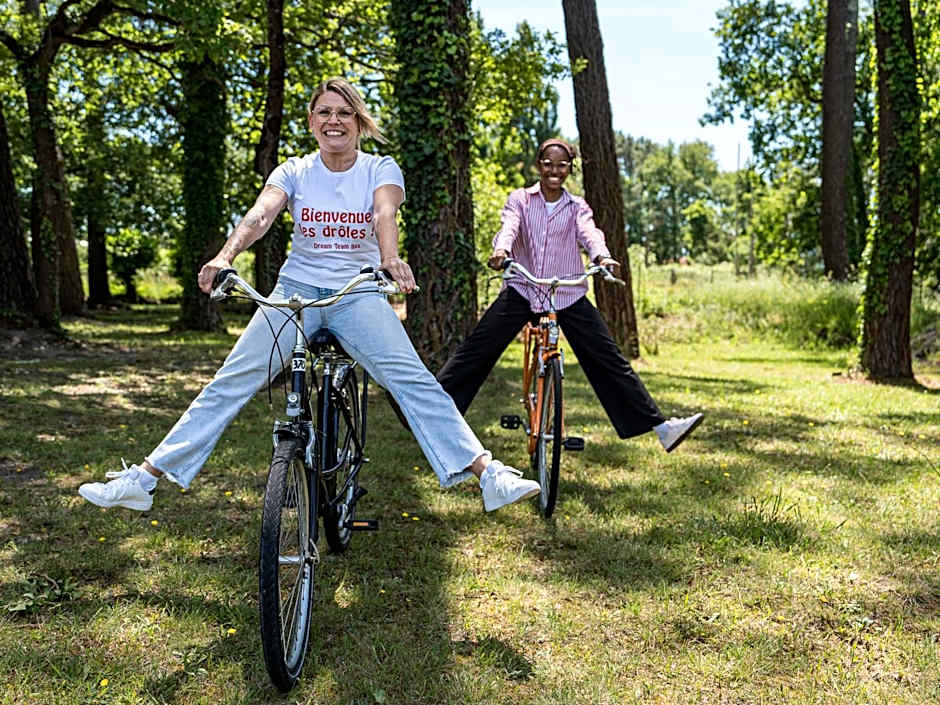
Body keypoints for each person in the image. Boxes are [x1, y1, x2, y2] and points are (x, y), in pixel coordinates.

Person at [78, 77, 539, 514]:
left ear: (358, 122)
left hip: (357, 291)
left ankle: (488, 474)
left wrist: (390, 258)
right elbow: (261, 215)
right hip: (296, 294)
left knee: (412, 380)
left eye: (344, 113)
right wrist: (224, 256)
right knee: (230, 380)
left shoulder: (379, 168)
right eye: (324, 112)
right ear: (312, 120)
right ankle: (144, 480)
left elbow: (384, 213)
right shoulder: (295, 170)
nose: (334, 120)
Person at [436, 138, 704, 453]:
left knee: (608, 357)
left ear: (570, 169)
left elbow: (590, 234)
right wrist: (501, 250)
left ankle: (662, 429)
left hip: (566, 292)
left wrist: (602, 257)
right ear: (538, 165)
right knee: (476, 350)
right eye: (548, 164)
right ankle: (429, 413)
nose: (554, 170)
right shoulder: (521, 199)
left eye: (561, 165)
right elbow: (509, 226)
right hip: (524, 288)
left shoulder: (577, 206)